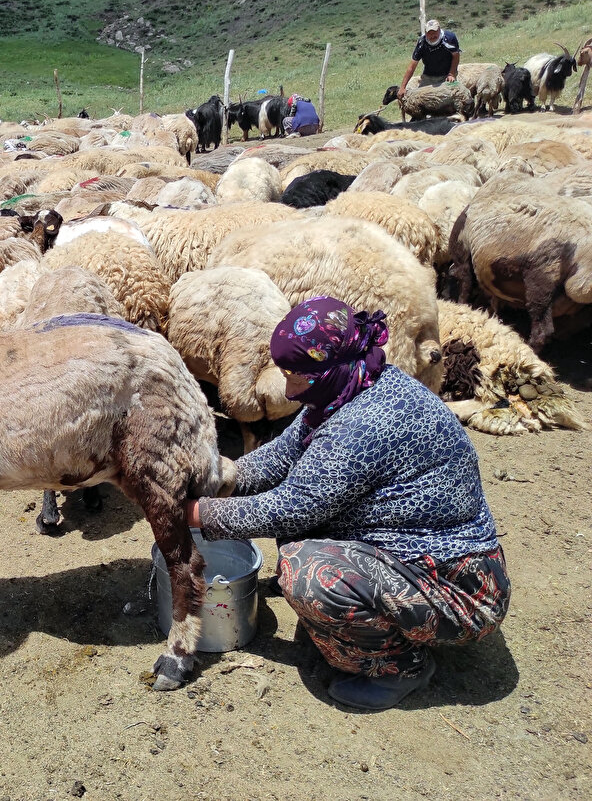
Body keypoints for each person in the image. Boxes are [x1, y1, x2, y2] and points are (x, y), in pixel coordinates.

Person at [186, 297, 510, 711]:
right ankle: (373, 618)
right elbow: (282, 456)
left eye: (296, 377)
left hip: (457, 588)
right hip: (406, 547)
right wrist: (214, 478)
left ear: (329, 368)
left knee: (309, 574)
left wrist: (192, 513)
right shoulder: (349, 386)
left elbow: (292, 507)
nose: (288, 389)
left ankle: (398, 668)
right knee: (301, 529)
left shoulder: (363, 423)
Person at [397, 18, 461, 100]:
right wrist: (402, 87)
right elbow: (412, 66)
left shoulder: (449, 38)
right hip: (429, 76)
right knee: (421, 100)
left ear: (439, 30)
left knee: (451, 98)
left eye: (434, 32)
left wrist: (451, 74)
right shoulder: (422, 43)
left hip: (447, 74)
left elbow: (456, 56)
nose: (432, 36)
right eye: (429, 33)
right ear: (426, 32)